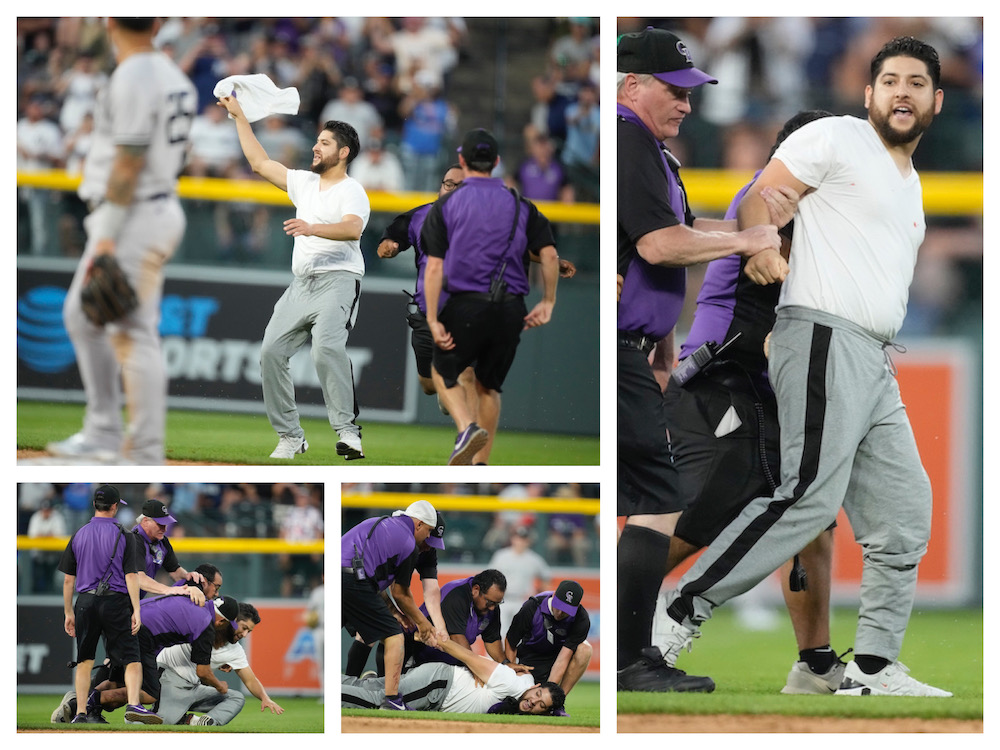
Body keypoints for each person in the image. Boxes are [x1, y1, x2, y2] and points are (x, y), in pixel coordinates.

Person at [657, 36, 952, 698]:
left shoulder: (911, 184)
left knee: (906, 510)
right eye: (889, 80)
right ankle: (680, 607)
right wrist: (761, 240)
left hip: (874, 354)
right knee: (808, 494)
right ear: (868, 93)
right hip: (820, 331)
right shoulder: (839, 138)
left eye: (915, 82)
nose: (901, 91)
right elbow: (767, 194)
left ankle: (874, 667)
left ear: (936, 100)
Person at [651, 109, 847, 695]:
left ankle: (814, 663)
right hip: (723, 372)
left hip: (762, 382)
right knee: (722, 496)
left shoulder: (812, 211)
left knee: (810, 511)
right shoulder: (768, 199)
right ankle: (637, 613)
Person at [615, 25, 785, 693]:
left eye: (691, 91)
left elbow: (666, 234)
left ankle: (635, 653)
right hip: (621, 346)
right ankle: (632, 658)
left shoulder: (649, 148)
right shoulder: (628, 135)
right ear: (632, 86)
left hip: (638, 345)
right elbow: (658, 247)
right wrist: (748, 237)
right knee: (657, 501)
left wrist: (660, 340)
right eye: (675, 89)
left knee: (654, 500)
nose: (687, 103)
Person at [46, 18, 196, 465]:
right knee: (81, 315)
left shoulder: (132, 75)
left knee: (131, 331)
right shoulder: (175, 75)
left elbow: (128, 164)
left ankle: (140, 447)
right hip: (151, 207)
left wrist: (106, 237)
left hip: (132, 215)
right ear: (157, 22)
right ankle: (105, 431)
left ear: (109, 19)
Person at [217, 94, 371, 462]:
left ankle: (348, 432)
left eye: (324, 143)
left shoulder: (353, 189)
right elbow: (258, 162)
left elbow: (352, 230)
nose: (316, 147)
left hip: (339, 279)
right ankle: (291, 436)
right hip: (301, 285)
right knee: (270, 352)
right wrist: (239, 117)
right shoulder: (303, 182)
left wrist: (311, 227)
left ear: (344, 152)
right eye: (317, 141)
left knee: (326, 348)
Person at [379, 163, 576, 425]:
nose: (453, 189)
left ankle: (469, 438)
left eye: (461, 186)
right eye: (449, 183)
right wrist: (388, 247)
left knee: (468, 374)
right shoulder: (420, 217)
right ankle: (447, 394)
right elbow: (392, 237)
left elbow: (519, 247)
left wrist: (549, 260)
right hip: (429, 312)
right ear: (441, 186)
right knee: (428, 383)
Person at [421, 128, 561, 465]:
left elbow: (435, 268)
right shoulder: (520, 203)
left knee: (442, 371)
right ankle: (480, 463)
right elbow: (551, 256)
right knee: (489, 387)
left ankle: (466, 428)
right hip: (511, 307)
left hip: (467, 304)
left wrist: (431, 317)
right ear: (496, 162)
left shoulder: (447, 205)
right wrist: (549, 302)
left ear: (461, 161)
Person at [56, 484, 160, 724]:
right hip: (116, 602)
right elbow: (131, 577)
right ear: (115, 506)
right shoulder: (125, 534)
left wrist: (68, 612)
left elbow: (68, 580)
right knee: (132, 659)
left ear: (95, 505)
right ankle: (134, 706)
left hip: (85, 602)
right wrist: (136, 609)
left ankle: (80, 713)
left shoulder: (79, 533)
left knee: (85, 661)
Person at [341, 500, 441, 710]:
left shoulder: (381, 523)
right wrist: (423, 624)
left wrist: (395, 612)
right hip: (353, 580)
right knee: (394, 636)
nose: (429, 537)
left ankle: (345, 687)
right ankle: (393, 700)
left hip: (338, 573)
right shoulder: (408, 543)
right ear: (419, 524)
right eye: (429, 531)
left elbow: (373, 584)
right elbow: (401, 593)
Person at [342, 634, 565, 715]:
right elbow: (469, 657)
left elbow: (547, 705)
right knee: (380, 703)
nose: (533, 702)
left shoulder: (526, 685)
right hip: (439, 686)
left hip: (438, 681)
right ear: (537, 686)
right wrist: (434, 639)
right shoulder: (511, 683)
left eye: (541, 705)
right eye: (538, 695)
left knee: (367, 688)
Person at [156, 601, 285, 725]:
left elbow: (250, 680)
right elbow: (202, 671)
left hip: (194, 687)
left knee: (236, 698)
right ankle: (159, 716)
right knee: (163, 722)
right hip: (171, 677)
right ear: (233, 620)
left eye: (249, 631)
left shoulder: (235, 650)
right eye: (244, 628)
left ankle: (203, 722)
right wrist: (218, 685)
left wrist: (265, 698)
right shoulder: (206, 624)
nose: (245, 634)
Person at [505, 581, 592, 704]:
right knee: (515, 699)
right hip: (530, 657)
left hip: (556, 657)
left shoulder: (581, 618)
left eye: (566, 610)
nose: (560, 613)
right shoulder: (532, 606)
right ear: (554, 595)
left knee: (585, 649)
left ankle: (558, 704)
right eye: (559, 606)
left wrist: (549, 698)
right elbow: (511, 642)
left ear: (576, 607)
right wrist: (512, 673)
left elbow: (563, 658)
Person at [407, 568, 512, 669]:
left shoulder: (491, 606)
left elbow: (492, 640)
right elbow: (457, 638)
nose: (493, 607)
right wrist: (477, 668)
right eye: (490, 602)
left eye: (497, 603)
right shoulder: (456, 595)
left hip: (454, 660)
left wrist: (505, 664)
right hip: (420, 655)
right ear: (476, 590)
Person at [131, 498, 206, 602]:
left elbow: (175, 570)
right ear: (145, 521)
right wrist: (169, 590)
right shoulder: (133, 539)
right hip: (115, 599)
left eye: (165, 524)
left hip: (133, 600)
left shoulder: (162, 541)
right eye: (160, 524)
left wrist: (187, 575)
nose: (164, 529)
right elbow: (139, 579)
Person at [488, 526, 551, 639]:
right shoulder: (501, 556)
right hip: (502, 600)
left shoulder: (534, 559)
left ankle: (516, 658)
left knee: (520, 636)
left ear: (528, 541)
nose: (520, 542)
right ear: (513, 539)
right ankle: (493, 658)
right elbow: (490, 577)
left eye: (523, 539)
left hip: (523, 600)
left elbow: (546, 576)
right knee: (497, 634)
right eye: (518, 538)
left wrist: (541, 592)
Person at [27, 499, 68, 593]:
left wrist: (43, 536)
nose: (46, 512)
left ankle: (52, 597)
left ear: (51, 509)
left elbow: (61, 535)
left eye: (48, 510)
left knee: (53, 582)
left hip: (54, 556)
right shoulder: (35, 517)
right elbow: (32, 536)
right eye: (44, 510)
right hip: (39, 555)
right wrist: (48, 536)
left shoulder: (57, 517)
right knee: (37, 579)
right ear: (41, 510)